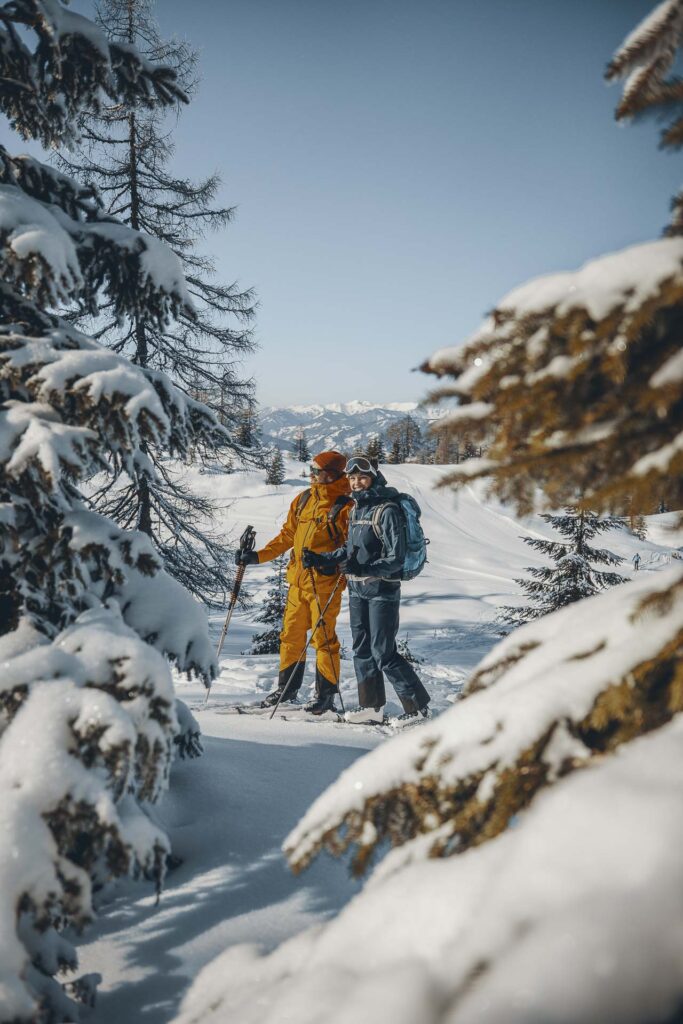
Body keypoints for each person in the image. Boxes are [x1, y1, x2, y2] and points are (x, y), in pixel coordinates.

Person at [303, 455, 430, 725]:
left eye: (362, 477)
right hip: (357, 589)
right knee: (361, 649)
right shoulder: (357, 509)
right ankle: (371, 707)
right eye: (352, 478)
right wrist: (321, 558)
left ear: (373, 477)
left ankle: (418, 707)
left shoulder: (387, 510)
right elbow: (348, 550)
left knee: (383, 651)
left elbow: (395, 558)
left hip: (382, 589)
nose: (356, 482)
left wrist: (363, 569)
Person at [236, 450, 352, 715]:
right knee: (290, 636)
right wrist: (257, 556)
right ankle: (286, 690)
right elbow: (287, 535)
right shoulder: (304, 499)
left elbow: (351, 548)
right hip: (298, 584)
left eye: (316, 470)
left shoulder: (345, 506)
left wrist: (328, 562)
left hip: (324, 585)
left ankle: (325, 696)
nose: (311, 474)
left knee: (324, 640)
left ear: (331, 474)